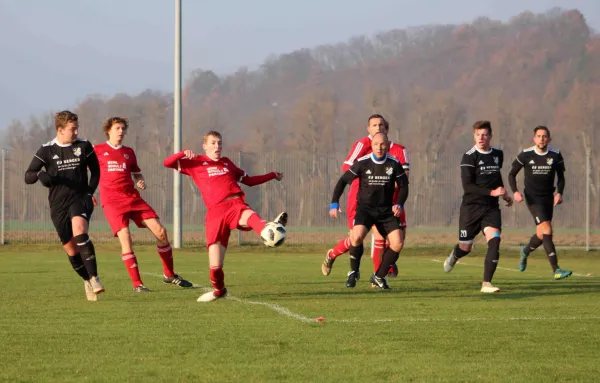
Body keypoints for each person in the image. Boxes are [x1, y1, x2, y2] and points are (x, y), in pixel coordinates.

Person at [163, 131, 287, 302]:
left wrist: (272, 175)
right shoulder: (195, 163)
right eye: (213, 143)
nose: (217, 146)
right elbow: (167, 163)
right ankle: (219, 290)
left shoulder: (227, 163)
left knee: (249, 215)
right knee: (215, 268)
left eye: (219, 143)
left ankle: (268, 229)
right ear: (204, 146)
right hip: (215, 213)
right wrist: (183, 153)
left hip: (235, 204)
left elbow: (249, 181)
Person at [95, 117, 193, 292]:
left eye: (123, 129)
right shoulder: (97, 150)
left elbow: (137, 174)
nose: (121, 132)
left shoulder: (129, 152)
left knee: (161, 231)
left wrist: (140, 181)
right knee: (125, 237)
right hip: (112, 201)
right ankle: (137, 284)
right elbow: (88, 173)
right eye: (117, 128)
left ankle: (169, 275)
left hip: (132, 198)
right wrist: (88, 193)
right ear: (108, 130)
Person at [24, 110, 104, 301]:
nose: (76, 132)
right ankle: (86, 280)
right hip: (58, 204)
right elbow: (28, 176)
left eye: (77, 128)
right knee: (71, 249)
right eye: (72, 129)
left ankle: (95, 277)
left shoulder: (84, 146)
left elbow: (96, 172)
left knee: (80, 230)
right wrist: (40, 175)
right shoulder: (47, 150)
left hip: (80, 199)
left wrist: (89, 193)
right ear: (60, 130)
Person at [329, 132, 408, 289]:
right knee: (356, 236)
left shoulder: (394, 163)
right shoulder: (363, 162)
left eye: (383, 144)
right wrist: (334, 203)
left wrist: (399, 203)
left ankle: (378, 276)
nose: (379, 147)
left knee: (398, 243)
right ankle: (354, 272)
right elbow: (343, 181)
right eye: (376, 144)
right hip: (365, 210)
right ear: (372, 146)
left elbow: (404, 186)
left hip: (385, 211)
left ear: (387, 145)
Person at [443, 120, 513, 293]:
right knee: (465, 247)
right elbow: (468, 186)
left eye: (484, 134)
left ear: (490, 136)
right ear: (474, 136)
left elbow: (496, 178)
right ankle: (455, 254)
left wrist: (504, 195)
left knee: (495, 240)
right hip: (471, 208)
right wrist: (492, 192)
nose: (481, 138)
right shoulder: (469, 156)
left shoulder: (498, 154)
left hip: (490, 208)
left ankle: (486, 283)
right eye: (478, 134)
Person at [321, 114, 387, 275]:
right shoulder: (362, 144)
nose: (378, 128)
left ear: (385, 128)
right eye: (374, 125)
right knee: (355, 239)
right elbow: (346, 168)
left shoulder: (387, 147)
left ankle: (378, 277)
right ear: (368, 128)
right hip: (358, 199)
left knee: (380, 237)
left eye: (381, 125)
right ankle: (332, 254)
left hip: (380, 200)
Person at [507, 126, 572, 279]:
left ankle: (525, 251)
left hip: (548, 198)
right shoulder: (526, 154)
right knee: (548, 230)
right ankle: (556, 269)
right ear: (534, 138)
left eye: (544, 136)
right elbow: (511, 174)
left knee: (541, 234)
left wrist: (559, 193)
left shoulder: (555, 155)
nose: (541, 139)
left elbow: (561, 177)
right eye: (539, 136)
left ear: (549, 139)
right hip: (532, 198)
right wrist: (515, 191)